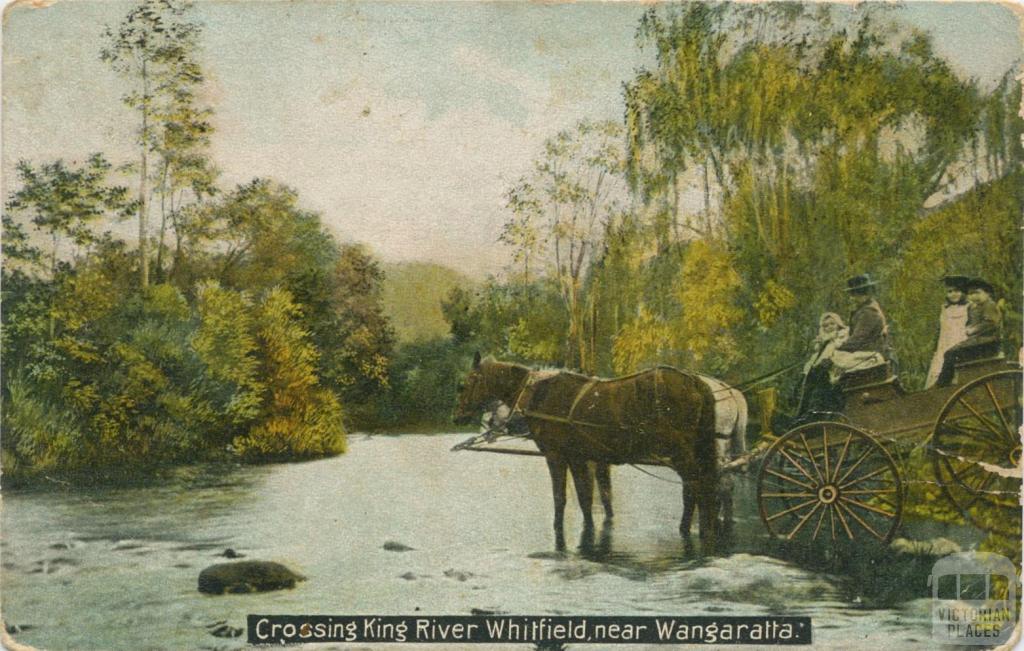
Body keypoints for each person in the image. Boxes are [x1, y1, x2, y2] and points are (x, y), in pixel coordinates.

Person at [935, 277, 1002, 387]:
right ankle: (948, 382)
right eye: (970, 294)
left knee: (952, 353)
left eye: (977, 293)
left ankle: (942, 383)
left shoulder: (989, 305)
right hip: (978, 342)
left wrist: (972, 329)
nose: (974, 296)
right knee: (951, 352)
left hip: (988, 343)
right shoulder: (973, 307)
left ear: (987, 293)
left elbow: (991, 323)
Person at [830, 273, 890, 379]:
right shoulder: (863, 310)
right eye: (852, 294)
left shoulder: (869, 312)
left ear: (866, 293)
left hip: (869, 355)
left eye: (855, 294)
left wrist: (838, 347)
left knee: (830, 365)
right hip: (864, 352)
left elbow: (858, 339)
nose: (852, 298)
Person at [797, 312, 849, 415]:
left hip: (835, 372)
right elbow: (815, 360)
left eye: (832, 324)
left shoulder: (842, 337)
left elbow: (841, 355)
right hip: (821, 371)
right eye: (826, 326)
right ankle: (803, 413)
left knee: (818, 381)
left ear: (838, 324)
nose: (829, 327)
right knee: (808, 382)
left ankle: (813, 412)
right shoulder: (823, 342)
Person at [925, 275, 970, 389]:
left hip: (961, 341)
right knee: (939, 368)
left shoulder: (968, 308)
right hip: (945, 344)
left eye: (957, 291)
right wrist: (935, 348)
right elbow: (941, 331)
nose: (953, 294)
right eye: (950, 291)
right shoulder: (945, 309)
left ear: (963, 291)